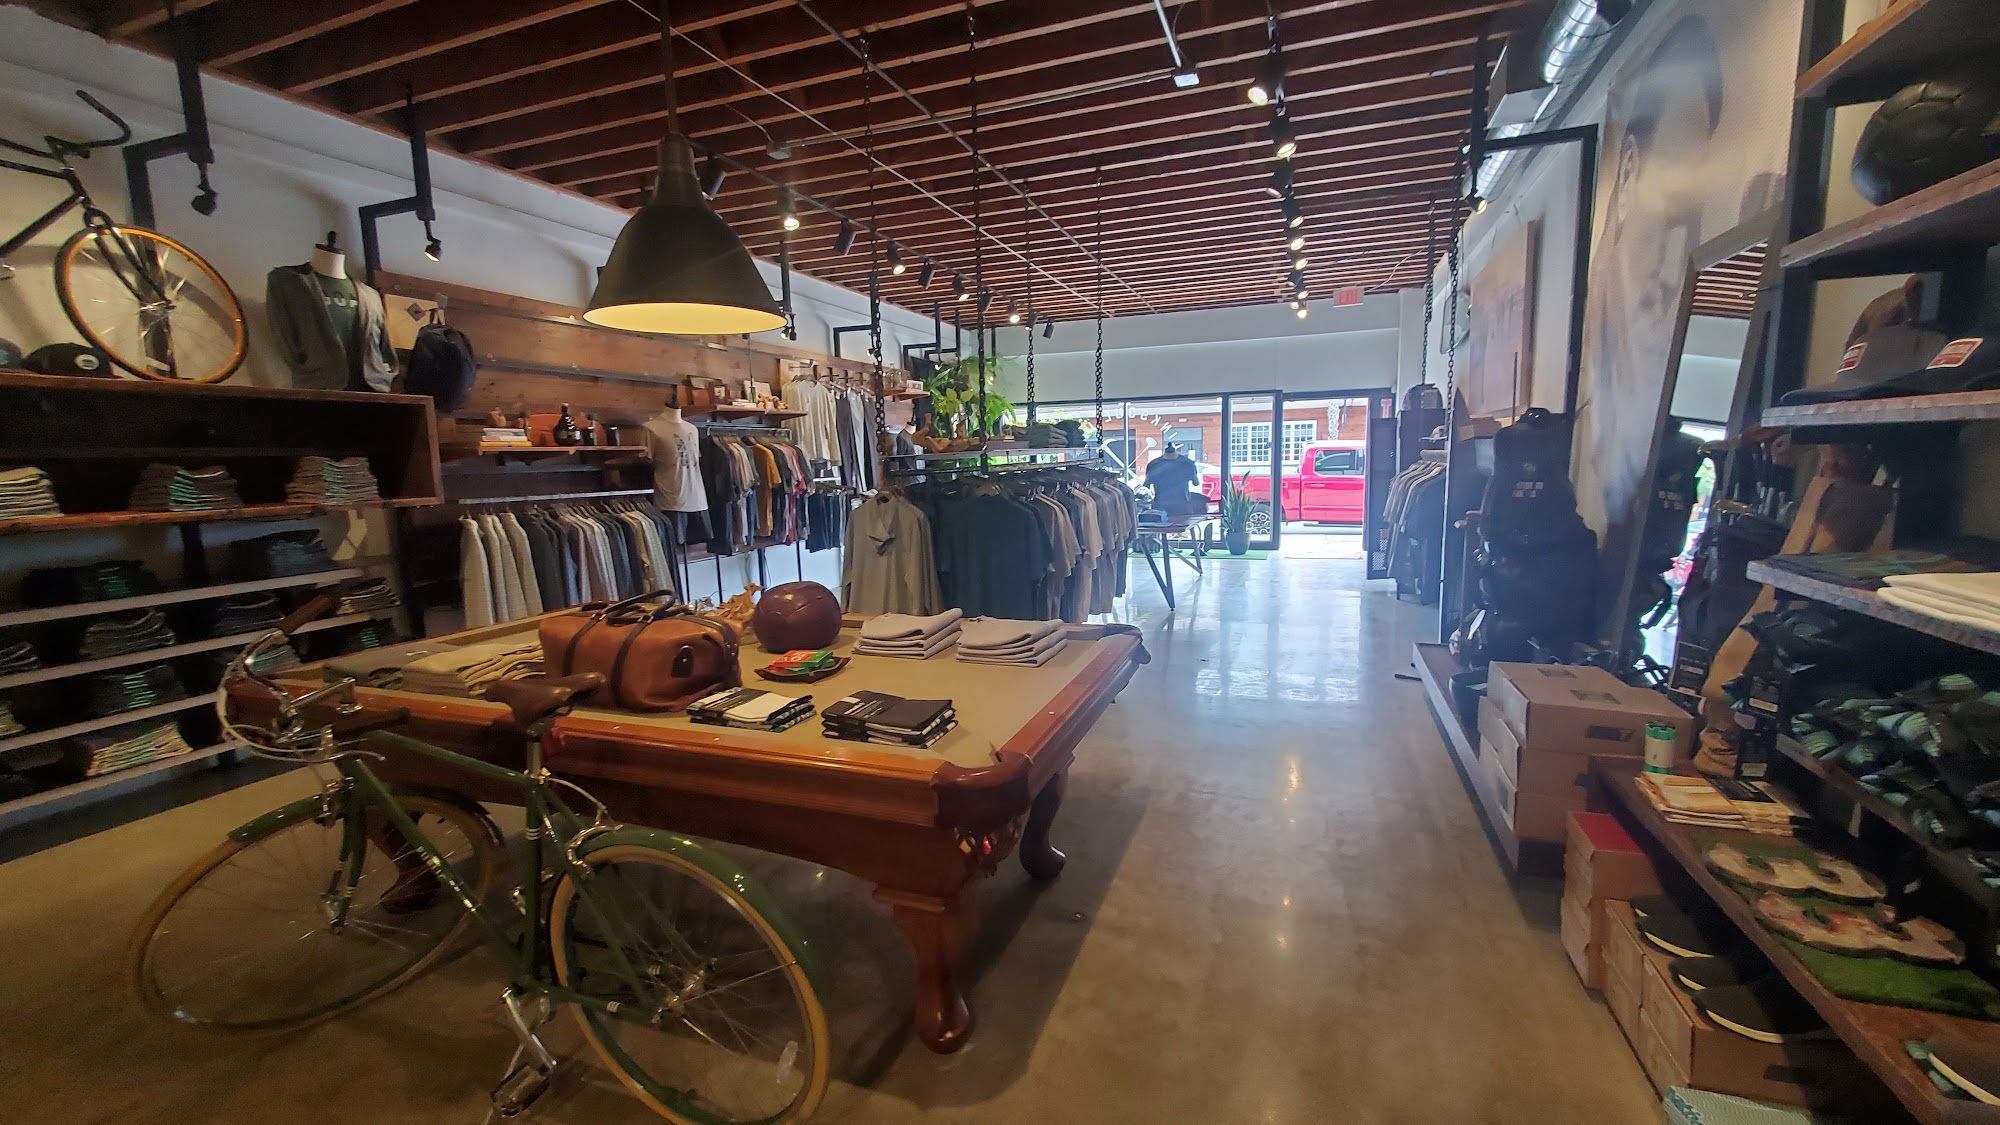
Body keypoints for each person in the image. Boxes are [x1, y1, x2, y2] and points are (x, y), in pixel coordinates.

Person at [1144, 443, 1201, 516]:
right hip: (1181, 506)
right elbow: (1196, 483)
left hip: (1161, 507)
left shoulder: (1153, 465)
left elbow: (1147, 485)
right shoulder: (1188, 463)